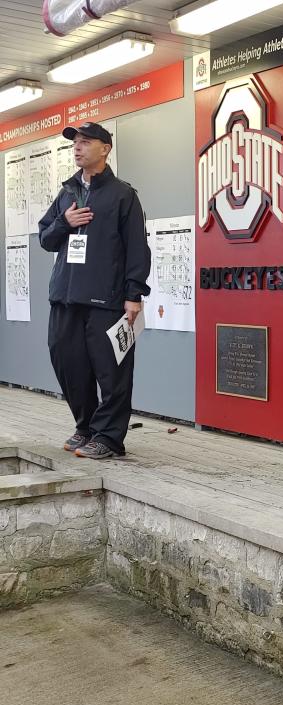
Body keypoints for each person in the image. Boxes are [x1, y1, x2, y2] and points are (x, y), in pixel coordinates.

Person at [38, 121, 150, 460]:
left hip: (107, 299)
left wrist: (134, 294)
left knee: (112, 370)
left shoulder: (123, 195)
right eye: (75, 143)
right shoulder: (67, 193)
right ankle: (86, 427)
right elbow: (46, 239)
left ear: (105, 148)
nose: (77, 147)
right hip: (65, 297)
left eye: (86, 142)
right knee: (68, 363)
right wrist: (64, 223)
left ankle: (109, 437)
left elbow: (136, 247)